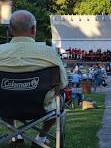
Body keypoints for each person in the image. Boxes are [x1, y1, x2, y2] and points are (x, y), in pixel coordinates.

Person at [0, 10, 68, 146]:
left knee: (4, 97)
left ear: (10, 30)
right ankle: (41, 137)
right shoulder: (49, 53)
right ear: (33, 29)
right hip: (40, 108)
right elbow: (63, 83)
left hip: (4, 107)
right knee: (58, 100)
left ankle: (16, 135)